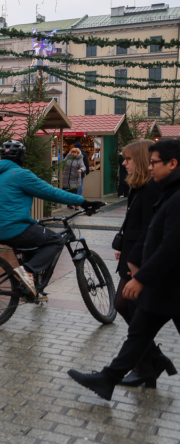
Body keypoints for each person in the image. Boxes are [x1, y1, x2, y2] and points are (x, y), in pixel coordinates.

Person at [68, 139, 180, 401]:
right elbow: (150, 230)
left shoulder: (174, 196)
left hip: (169, 282)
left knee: (137, 326)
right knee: (139, 331)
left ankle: (134, 371)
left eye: (155, 163)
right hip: (164, 283)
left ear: (172, 163)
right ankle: (109, 379)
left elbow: (170, 246)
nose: (150, 168)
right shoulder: (167, 190)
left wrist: (140, 276)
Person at [0, 140, 93, 298]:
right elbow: (51, 192)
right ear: (21, 156)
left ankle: (31, 288)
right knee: (55, 240)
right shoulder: (20, 174)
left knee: (33, 240)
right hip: (13, 227)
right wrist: (83, 201)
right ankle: (26, 272)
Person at [112, 140, 173, 388]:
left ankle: (147, 365)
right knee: (128, 307)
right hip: (132, 253)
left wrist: (135, 259)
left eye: (128, 159)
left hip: (140, 259)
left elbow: (151, 229)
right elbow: (133, 222)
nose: (124, 164)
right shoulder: (139, 187)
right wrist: (121, 242)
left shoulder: (151, 189)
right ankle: (152, 362)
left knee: (130, 307)